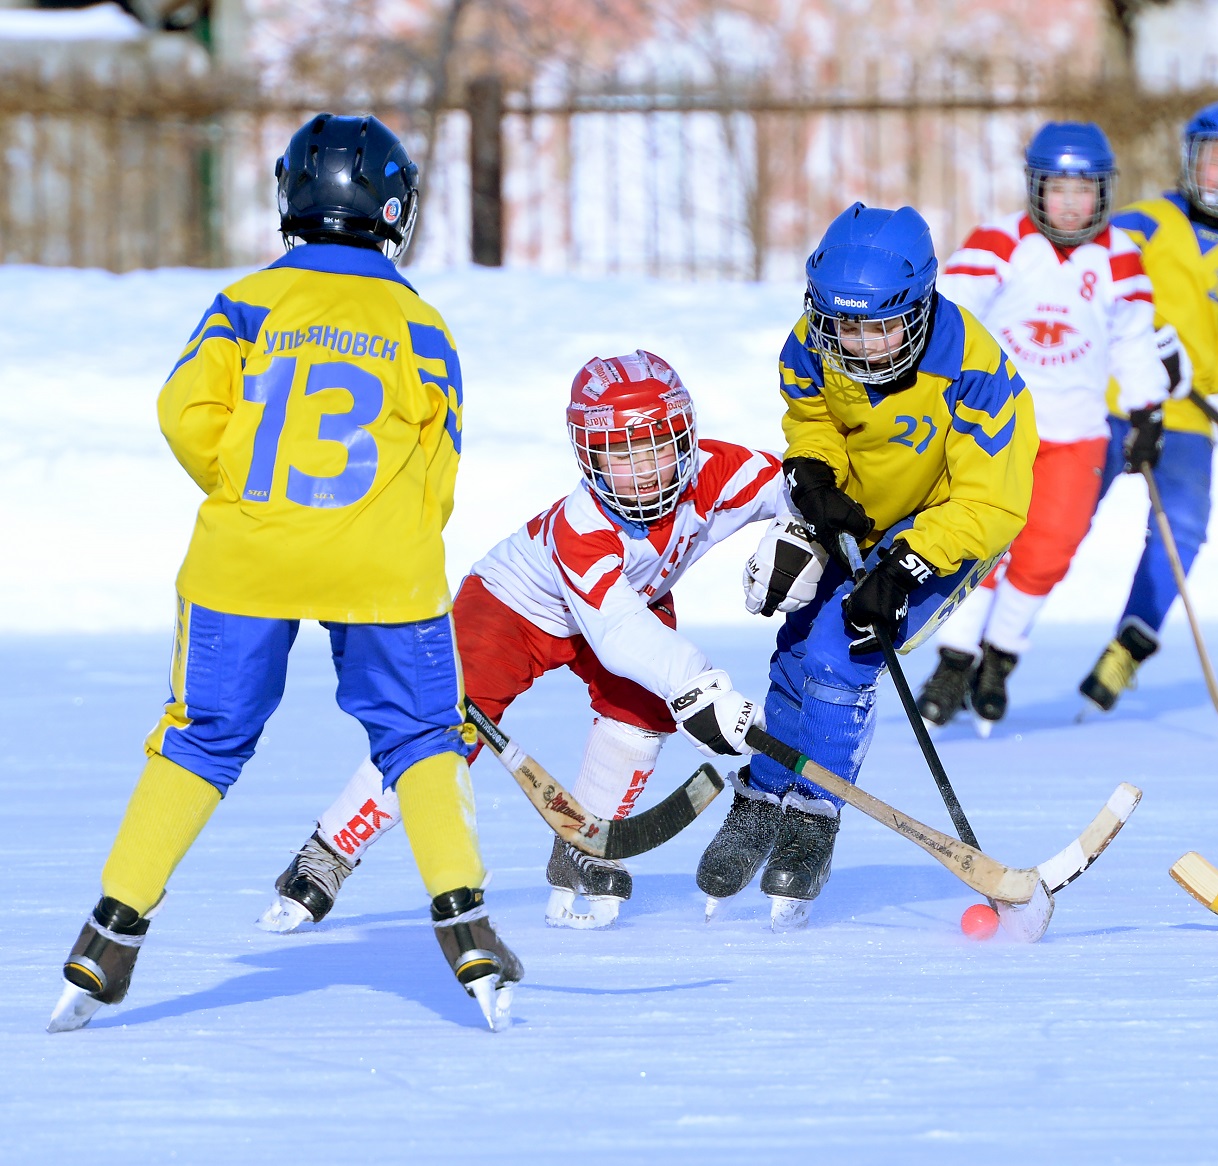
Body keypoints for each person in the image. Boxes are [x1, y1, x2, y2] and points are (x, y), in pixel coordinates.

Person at [49, 113, 523, 1034]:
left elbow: (184, 411)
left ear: (289, 201)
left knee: (201, 739)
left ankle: (108, 934)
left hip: (244, 558)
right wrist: (382, 537)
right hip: (380, 564)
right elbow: (440, 472)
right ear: (395, 211)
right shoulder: (421, 325)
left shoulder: (243, 303)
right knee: (422, 737)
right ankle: (466, 929)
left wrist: (250, 490)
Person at [260, 350, 804, 932]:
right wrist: (700, 687)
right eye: (621, 454)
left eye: (657, 447)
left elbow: (795, 487)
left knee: (644, 710)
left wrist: (798, 535)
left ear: (685, 439)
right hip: (514, 608)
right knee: (441, 729)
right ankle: (329, 851)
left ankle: (585, 846)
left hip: (627, 598)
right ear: (588, 456)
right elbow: (617, 632)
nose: (644, 470)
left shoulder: (717, 473)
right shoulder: (583, 524)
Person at [695, 202, 1039, 930]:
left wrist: (907, 565)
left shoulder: (975, 374)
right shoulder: (815, 343)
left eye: (882, 326)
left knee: (841, 655)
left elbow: (994, 501)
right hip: (864, 512)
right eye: (844, 326)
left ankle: (814, 819)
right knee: (793, 648)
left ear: (920, 307)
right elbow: (812, 418)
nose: (862, 346)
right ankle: (760, 801)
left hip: (948, 528)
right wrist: (815, 475)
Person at [916, 122, 1170, 730]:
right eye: (1059, 190)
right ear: (1036, 189)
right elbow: (949, 313)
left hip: (1077, 431)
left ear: (1104, 194)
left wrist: (1147, 411)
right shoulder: (1000, 240)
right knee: (982, 543)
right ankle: (954, 660)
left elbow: (1134, 339)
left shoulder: (1120, 255)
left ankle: (999, 658)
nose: (1072, 204)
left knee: (1049, 550)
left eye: (1086, 191)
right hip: (996, 426)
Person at [1078, 102, 1218, 711]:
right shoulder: (1142, 223)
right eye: (1214, 159)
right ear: (1192, 160)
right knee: (1067, 512)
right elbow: (1101, 287)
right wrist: (1146, 339)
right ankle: (983, 643)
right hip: (1117, 402)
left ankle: (1128, 647)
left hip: (1189, 416)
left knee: (1184, 526)